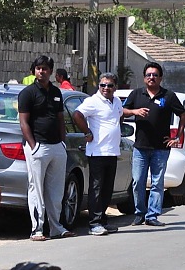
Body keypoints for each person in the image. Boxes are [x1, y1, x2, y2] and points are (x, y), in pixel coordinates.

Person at [18, 55, 76, 240]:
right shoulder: (27, 93)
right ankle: (37, 229)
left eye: (45, 68)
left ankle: (56, 227)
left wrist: (62, 142)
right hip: (38, 147)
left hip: (56, 147)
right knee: (36, 189)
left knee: (56, 190)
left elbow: (60, 119)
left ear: (51, 71)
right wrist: (33, 146)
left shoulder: (57, 93)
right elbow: (24, 122)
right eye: (38, 68)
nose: (41, 71)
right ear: (34, 71)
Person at [122, 62, 185, 227]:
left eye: (155, 75)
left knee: (157, 183)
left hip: (161, 148)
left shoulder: (169, 96)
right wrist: (134, 112)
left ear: (160, 78)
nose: (152, 77)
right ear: (144, 78)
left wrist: (177, 136)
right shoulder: (137, 94)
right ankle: (139, 214)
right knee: (137, 182)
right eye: (149, 75)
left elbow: (183, 114)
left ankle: (152, 216)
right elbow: (121, 111)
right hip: (140, 148)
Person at [72, 72, 124, 236]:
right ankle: (94, 223)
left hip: (112, 151)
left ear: (115, 87)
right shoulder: (93, 101)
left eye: (109, 85)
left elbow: (119, 117)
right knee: (96, 188)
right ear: (98, 86)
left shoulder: (116, 101)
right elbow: (77, 115)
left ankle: (102, 220)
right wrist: (87, 132)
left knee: (107, 189)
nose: (106, 88)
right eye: (103, 85)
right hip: (97, 152)